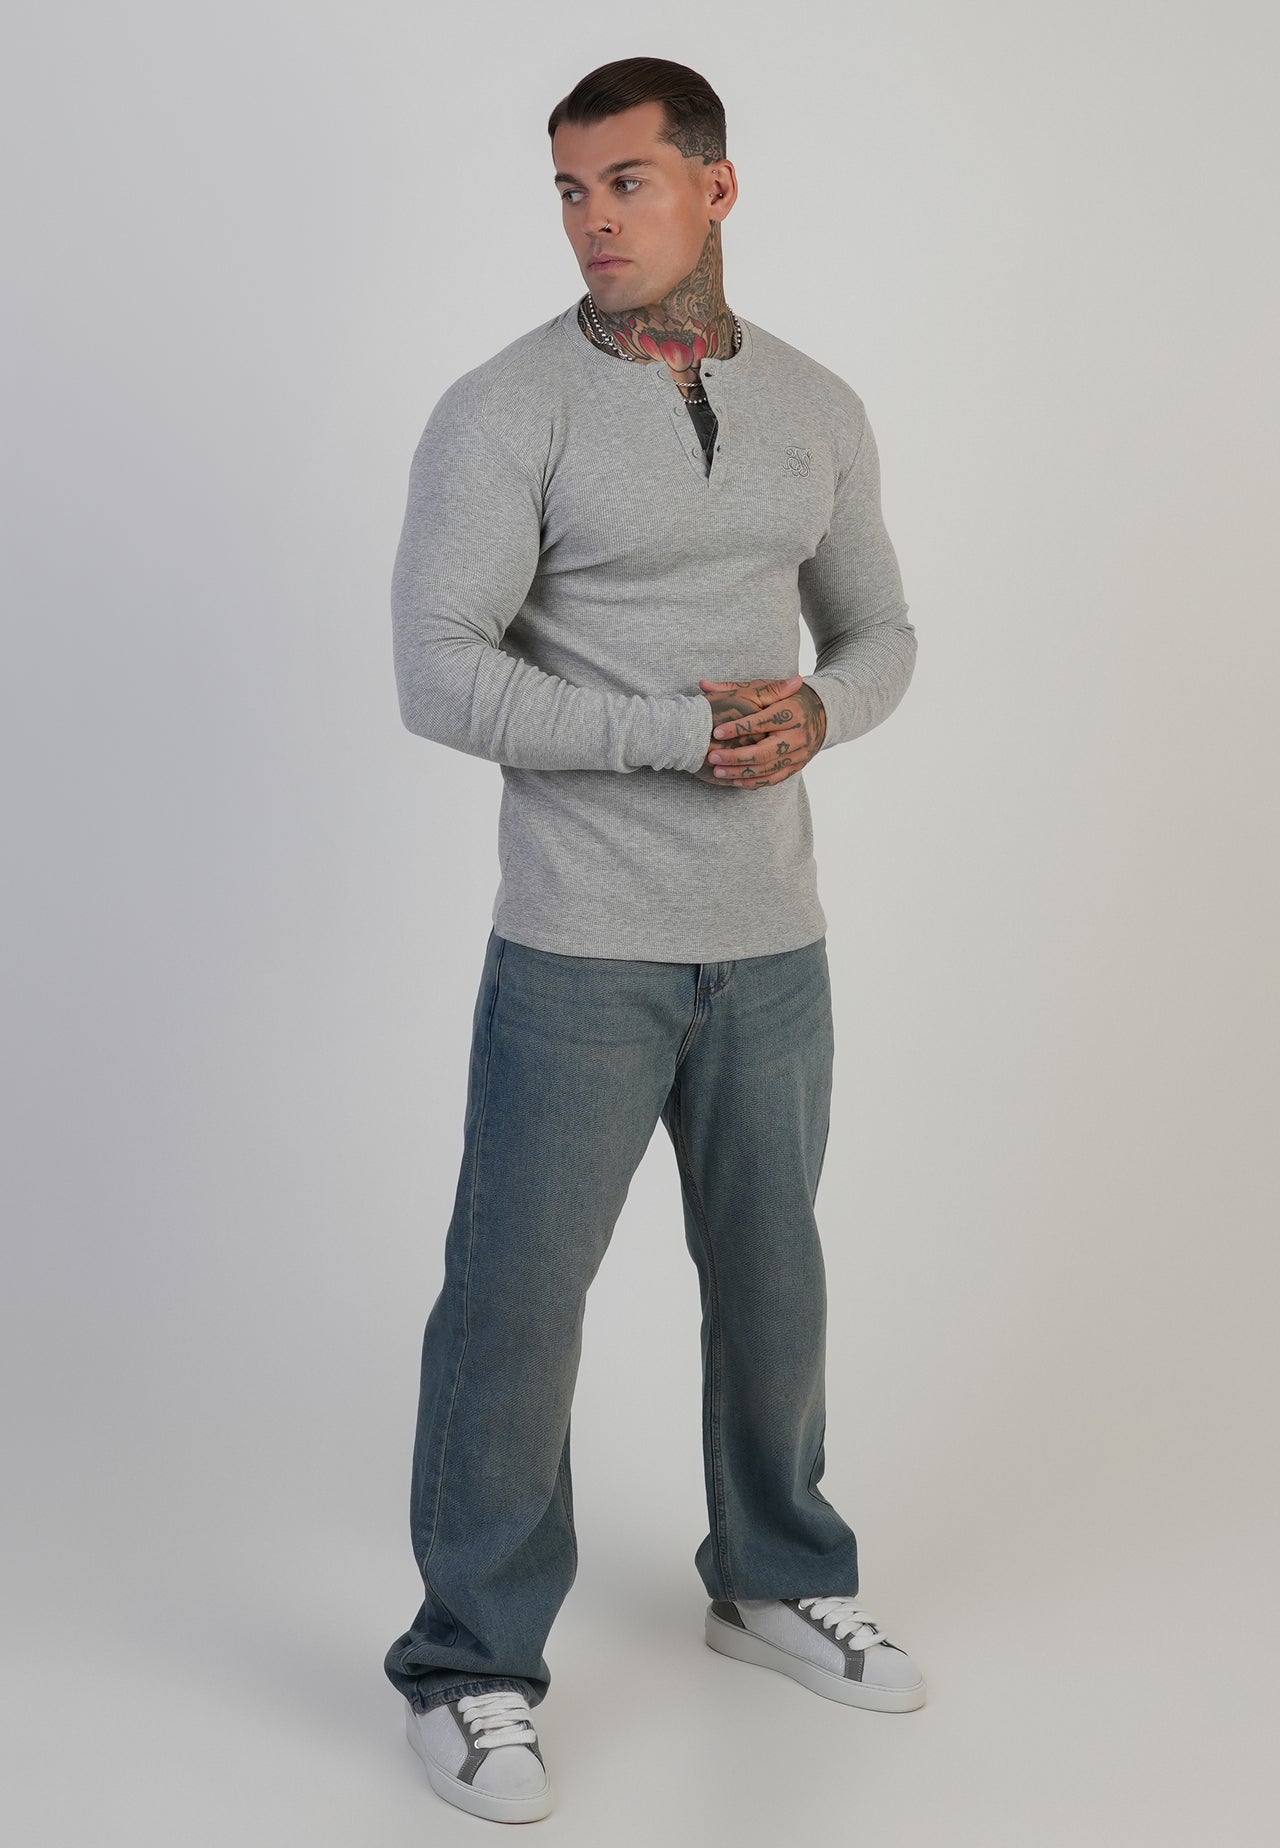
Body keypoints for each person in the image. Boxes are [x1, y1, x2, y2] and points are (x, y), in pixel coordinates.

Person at [383, 55, 924, 1825]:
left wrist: (822, 712)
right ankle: (469, 1663)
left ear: (716, 187)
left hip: (773, 935)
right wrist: (672, 735)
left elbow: (882, 632)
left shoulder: (818, 405)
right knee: (517, 1309)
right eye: (569, 189)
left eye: (626, 182)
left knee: (775, 1282)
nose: (593, 220)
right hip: (580, 945)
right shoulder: (504, 408)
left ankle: (774, 1576)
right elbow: (439, 673)